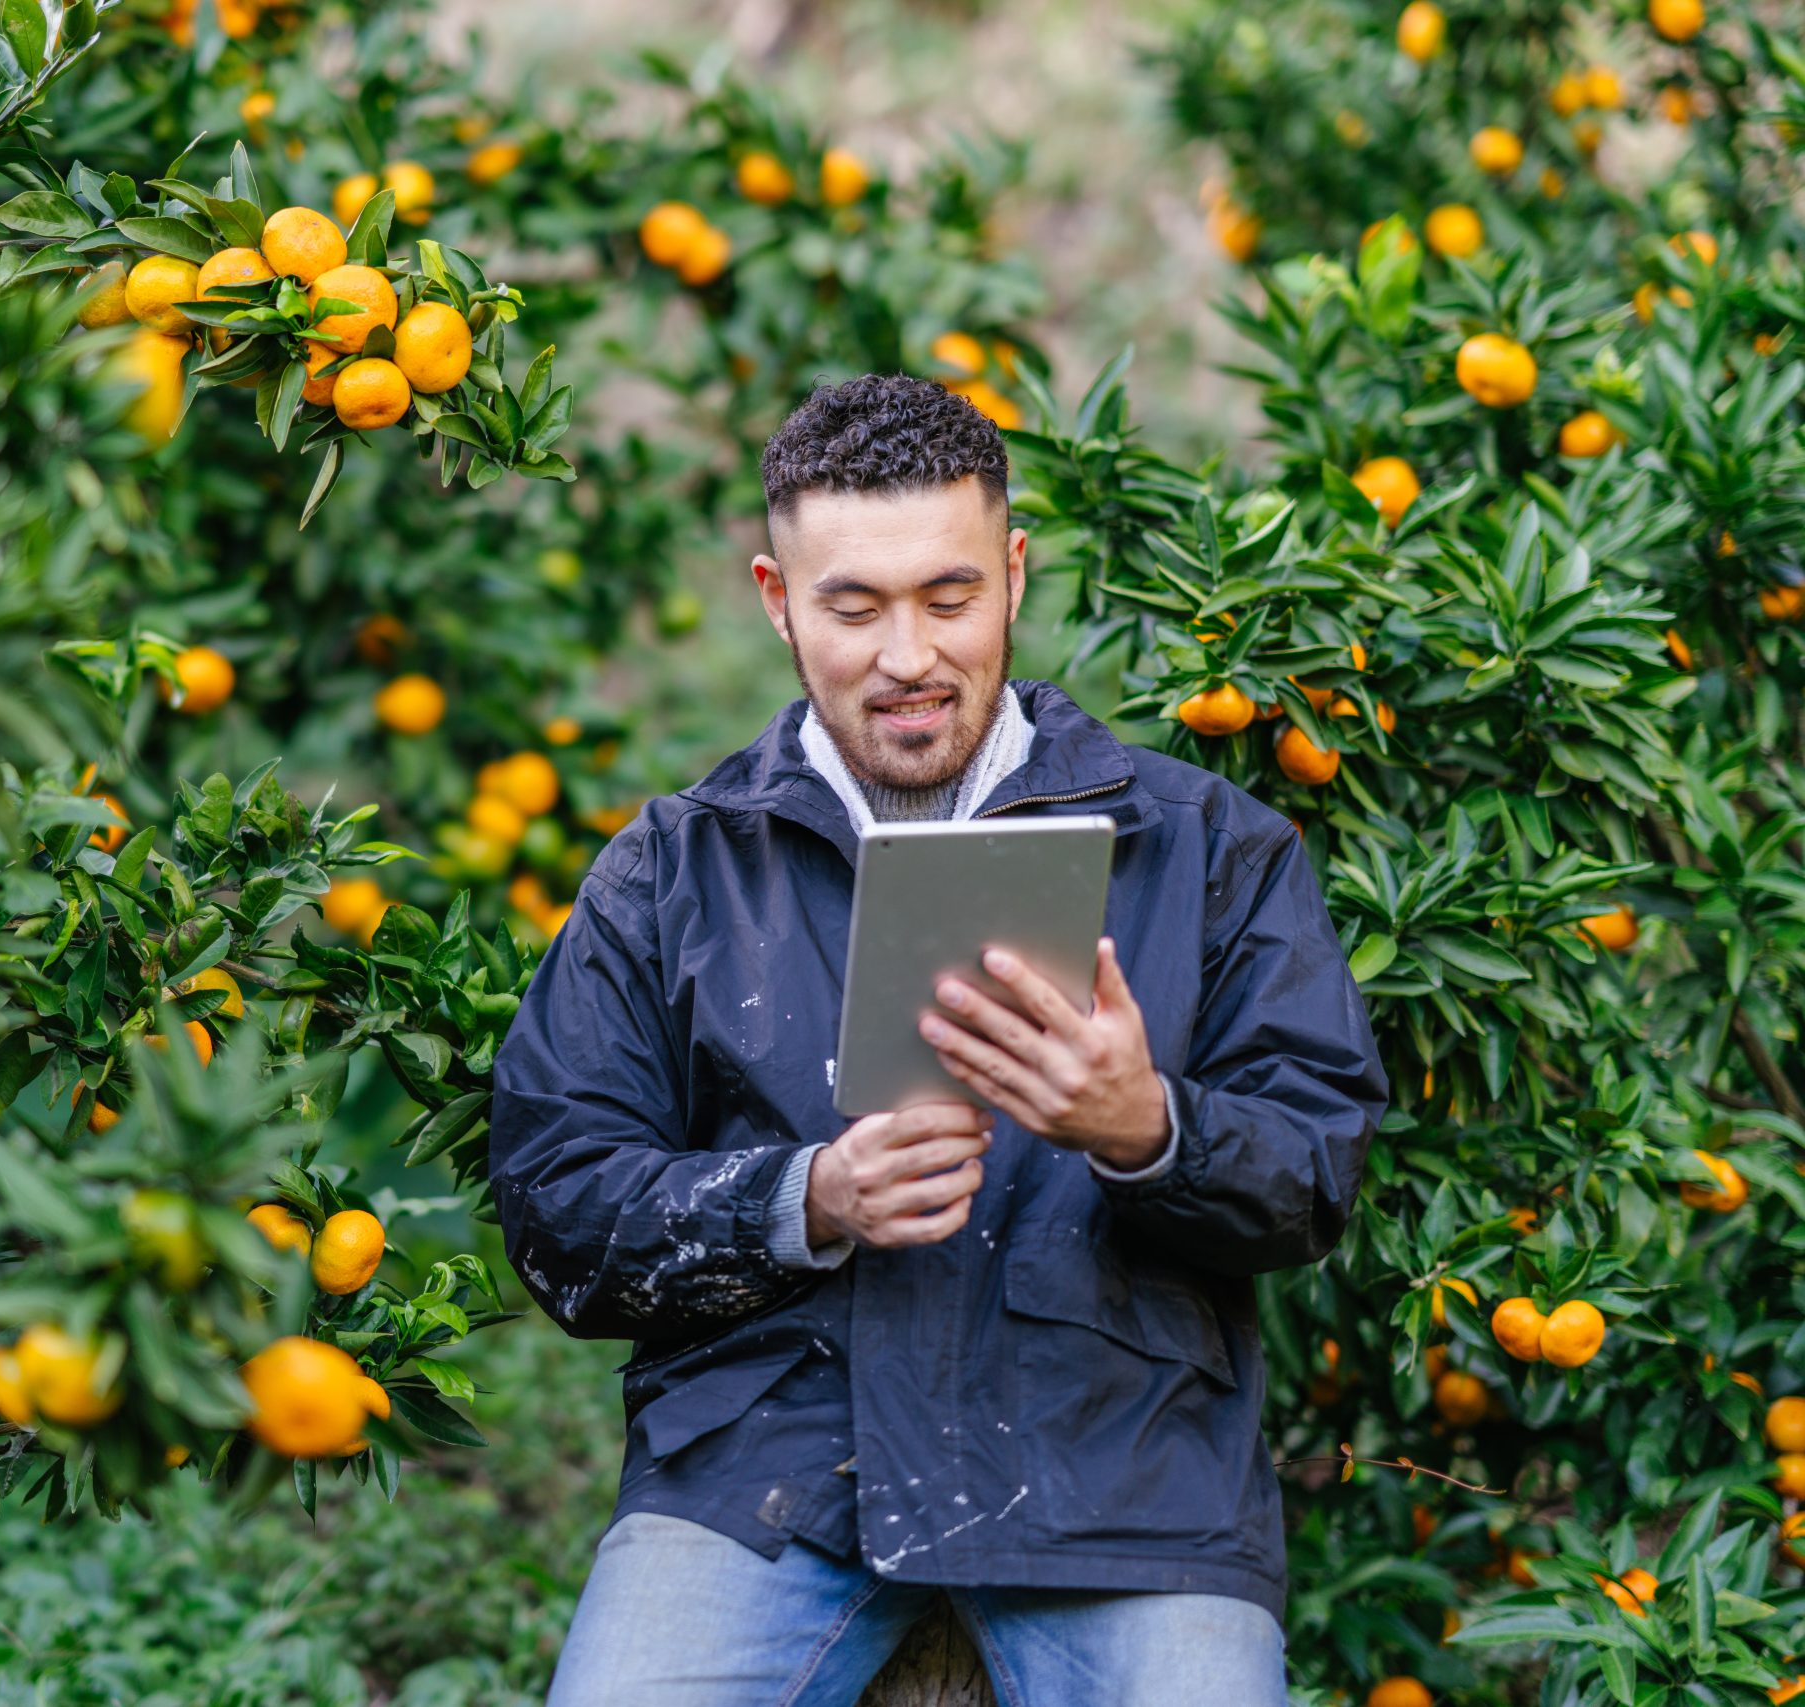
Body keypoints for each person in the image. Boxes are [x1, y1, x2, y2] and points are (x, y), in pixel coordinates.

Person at [489, 374, 1387, 1706]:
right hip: (768, 1481)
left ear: (1014, 575)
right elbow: (558, 1207)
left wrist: (1150, 1130)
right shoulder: (676, 870)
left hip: (1119, 1474)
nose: (907, 653)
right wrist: (802, 1201)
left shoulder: (1206, 847)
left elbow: (1317, 1172)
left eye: (948, 596)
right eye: (854, 605)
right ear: (776, 598)